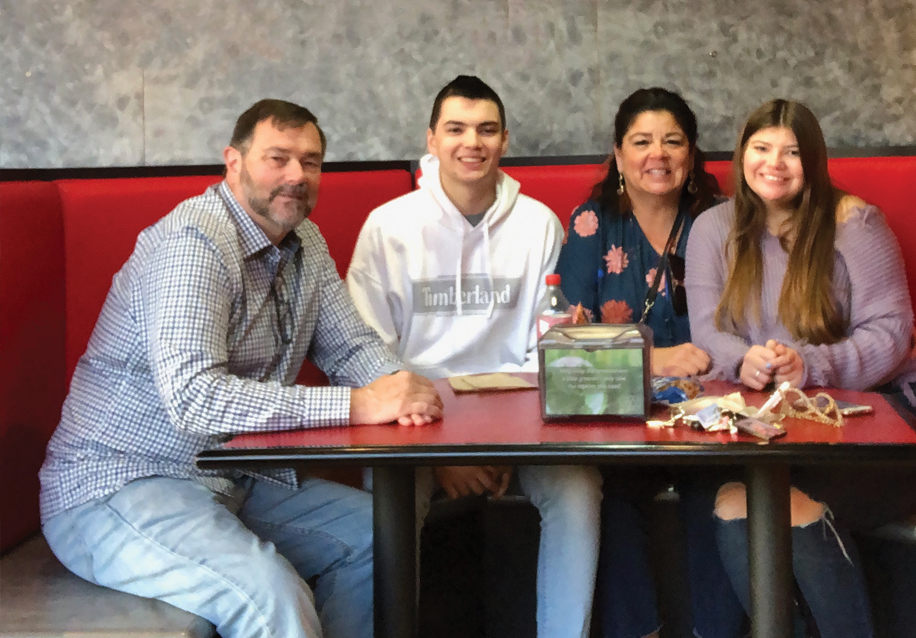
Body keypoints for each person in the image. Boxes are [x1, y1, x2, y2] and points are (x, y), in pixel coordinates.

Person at [38, 99, 443, 638]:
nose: (297, 176)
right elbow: (194, 398)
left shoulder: (307, 243)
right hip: (119, 483)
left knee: (379, 537)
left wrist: (403, 390)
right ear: (233, 162)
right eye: (278, 158)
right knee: (271, 596)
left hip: (228, 477)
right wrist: (361, 403)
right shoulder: (195, 242)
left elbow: (351, 350)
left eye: (312, 161)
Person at [685, 98, 916, 638]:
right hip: (788, 429)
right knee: (734, 502)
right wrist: (747, 361)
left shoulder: (854, 222)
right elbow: (707, 332)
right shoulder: (713, 229)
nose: (775, 163)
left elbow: (890, 335)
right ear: (742, 155)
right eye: (762, 148)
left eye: (792, 152)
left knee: (785, 505)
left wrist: (805, 365)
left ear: (813, 160)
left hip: (899, 418)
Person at [347, 75, 602, 638]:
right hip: (414, 427)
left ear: (504, 140)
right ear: (432, 139)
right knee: (381, 497)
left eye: (487, 130)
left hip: (519, 423)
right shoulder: (387, 227)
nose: (473, 142)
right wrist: (442, 456)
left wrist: (512, 441)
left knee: (579, 488)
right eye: (457, 129)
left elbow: (545, 347)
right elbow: (370, 355)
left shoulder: (538, 224)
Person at [555, 87, 744, 638]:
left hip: (711, 418)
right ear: (618, 155)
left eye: (672, 141)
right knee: (610, 497)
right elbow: (569, 344)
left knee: (719, 498)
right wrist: (656, 358)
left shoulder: (720, 220)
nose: (656, 154)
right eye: (641, 142)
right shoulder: (591, 223)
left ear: (691, 154)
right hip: (624, 416)